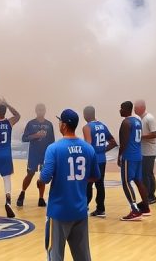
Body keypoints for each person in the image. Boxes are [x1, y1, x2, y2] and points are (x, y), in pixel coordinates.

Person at [40, 109, 100, 261]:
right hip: (80, 210)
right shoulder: (88, 148)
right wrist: (77, 181)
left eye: (60, 121)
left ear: (64, 125)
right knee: (83, 257)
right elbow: (95, 176)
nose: (59, 123)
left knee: (55, 256)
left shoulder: (54, 148)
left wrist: (40, 180)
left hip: (58, 211)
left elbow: (45, 178)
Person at [16, 103, 55, 208]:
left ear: (45, 111)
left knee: (43, 176)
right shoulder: (31, 123)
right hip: (34, 154)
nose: (41, 111)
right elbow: (24, 138)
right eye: (39, 109)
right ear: (36, 111)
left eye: (42, 109)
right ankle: (22, 193)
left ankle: (41, 198)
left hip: (45, 155)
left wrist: (52, 155)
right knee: (30, 174)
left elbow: (52, 141)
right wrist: (35, 135)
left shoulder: (49, 124)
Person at [118, 100, 151, 221]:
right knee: (139, 181)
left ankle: (135, 210)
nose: (120, 110)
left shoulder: (126, 122)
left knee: (126, 182)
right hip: (138, 155)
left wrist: (119, 156)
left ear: (127, 109)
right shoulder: (137, 121)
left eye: (121, 108)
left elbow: (124, 143)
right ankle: (146, 207)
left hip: (129, 157)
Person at [82, 105, 116, 217]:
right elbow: (113, 142)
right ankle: (101, 209)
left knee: (88, 184)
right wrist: (102, 150)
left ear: (85, 115)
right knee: (100, 184)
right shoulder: (102, 126)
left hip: (92, 160)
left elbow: (88, 145)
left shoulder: (87, 127)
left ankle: (83, 207)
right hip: (102, 159)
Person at [134, 99, 156, 204]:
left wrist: (141, 137)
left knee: (147, 174)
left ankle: (150, 196)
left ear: (142, 108)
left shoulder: (149, 118)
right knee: (146, 174)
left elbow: (155, 134)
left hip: (149, 151)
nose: (134, 109)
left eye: (136, 107)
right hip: (143, 151)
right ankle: (148, 196)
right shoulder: (139, 119)